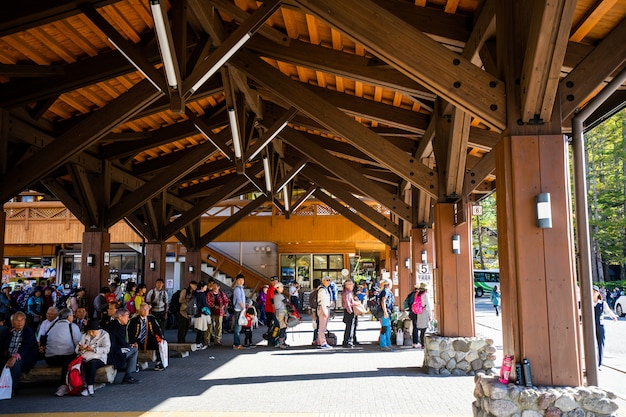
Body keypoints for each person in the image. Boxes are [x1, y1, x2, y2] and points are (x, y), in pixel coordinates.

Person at [0, 311, 38, 396]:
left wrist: (15, 357)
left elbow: (27, 347)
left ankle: (13, 389)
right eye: (17, 320)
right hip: (9, 355)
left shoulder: (29, 332)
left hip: (24, 356)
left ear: (25, 321)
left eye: (22, 320)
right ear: (12, 322)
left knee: (16, 364)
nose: (20, 322)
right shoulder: (8, 331)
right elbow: (3, 345)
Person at [45, 308, 82, 390]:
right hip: (65, 358)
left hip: (50, 359)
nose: (73, 317)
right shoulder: (72, 326)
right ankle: (68, 383)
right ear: (68, 317)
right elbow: (78, 343)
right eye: (72, 315)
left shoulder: (52, 326)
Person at [75, 319, 111, 396]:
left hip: (99, 358)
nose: (91, 333)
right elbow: (77, 348)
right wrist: (80, 348)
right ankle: (69, 385)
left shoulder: (104, 335)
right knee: (71, 363)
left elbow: (107, 349)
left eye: (93, 331)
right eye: (89, 331)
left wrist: (94, 349)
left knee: (91, 364)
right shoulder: (85, 335)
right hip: (85, 356)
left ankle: (90, 386)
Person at [105, 308, 140, 384]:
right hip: (114, 353)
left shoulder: (111, 324)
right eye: (127, 316)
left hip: (109, 351)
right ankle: (128, 375)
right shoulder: (119, 327)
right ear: (120, 316)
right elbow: (122, 343)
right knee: (134, 350)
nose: (128, 318)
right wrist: (130, 345)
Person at [128, 303, 165, 371]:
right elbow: (131, 332)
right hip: (138, 340)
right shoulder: (134, 320)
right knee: (133, 346)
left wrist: (160, 338)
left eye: (147, 309)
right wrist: (133, 341)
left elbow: (157, 329)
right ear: (139, 310)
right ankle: (135, 364)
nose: (145, 311)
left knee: (158, 344)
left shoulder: (152, 319)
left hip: (149, 339)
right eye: (143, 309)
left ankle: (159, 362)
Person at [593, 285, 618, 369]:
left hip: (600, 325)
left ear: (598, 293)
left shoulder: (602, 303)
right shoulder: (587, 303)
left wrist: (613, 316)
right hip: (590, 326)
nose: (593, 293)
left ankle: (599, 363)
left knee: (600, 344)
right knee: (590, 345)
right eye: (592, 292)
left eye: (595, 292)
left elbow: (608, 311)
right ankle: (592, 363)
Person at [207, 280, 229, 346]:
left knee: (219, 326)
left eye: (216, 286)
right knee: (209, 326)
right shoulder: (209, 293)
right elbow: (208, 302)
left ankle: (217, 340)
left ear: (218, 287)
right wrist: (214, 306)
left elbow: (226, 301)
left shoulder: (221, 294)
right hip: (210, 311)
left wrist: (223, 306)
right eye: (213, 286)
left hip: (220, 311)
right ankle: (207, 341)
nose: (214, 288)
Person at [193, 282, 211, 350]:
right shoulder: (202, 294)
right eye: (205, 287)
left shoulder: (195, 293)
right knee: (201, 329)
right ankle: (198, 343)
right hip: (202, 313)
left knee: (199, 328)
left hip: (196, 313)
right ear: (202, 287)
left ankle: (198, 343)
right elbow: (204, 304)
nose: (206, 288)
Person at [413, 283, 431, 349]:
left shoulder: (418, 294)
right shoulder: (425, 295)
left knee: (421, 330)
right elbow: (428, 306)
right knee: (425, 329)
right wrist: (430, 315)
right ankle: (424, 344)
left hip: (419, 312)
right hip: (424, 312)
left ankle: (422, 343)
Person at [317, 276, 333, 349]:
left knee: (323, 327)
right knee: (322, 328)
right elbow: (322, 301)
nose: (328, 281)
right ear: (323, 281)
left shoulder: (325, 289)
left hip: (325, 307)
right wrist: (325, 311)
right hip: (323, 308)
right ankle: (323, 343)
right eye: (327, 280)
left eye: (329, 280)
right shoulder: (322, 290)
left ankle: (320, 341)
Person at [342, 279, 359, 347]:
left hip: (351, 310)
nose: (352, 285)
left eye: (352, 284)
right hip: (349, 311)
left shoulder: (349, 292)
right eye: (351, 284)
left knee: (352, 326)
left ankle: (350, 340)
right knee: (349, 327)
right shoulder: (346, 293)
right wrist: (351, 311)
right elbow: (347, 303)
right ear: (347, 285)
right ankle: (347, 341)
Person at [378, 278, 395, 351]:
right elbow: (383, 301)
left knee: (388, 328)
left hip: (387, 312)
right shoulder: (386, 291)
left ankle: (388, 344)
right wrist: (385, 311)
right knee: (384, 328)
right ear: (389, 284)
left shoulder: (386, 291)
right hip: (385, 312)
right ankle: (383, 344)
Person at [232, 274, 246, 350]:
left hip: (240, 309)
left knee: (239, 326)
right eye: (239, 280)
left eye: (242, 280)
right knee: (237, 327)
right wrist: (244, 308)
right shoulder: (237, 289)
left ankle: (237, 343)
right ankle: (236, 344)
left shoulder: (241, 289)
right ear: (236, 281)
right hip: (238, 309)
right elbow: (239, 300)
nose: (241, 281)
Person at [273, 282, 289, 349]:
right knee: (283, 327)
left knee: (282, 326)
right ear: (277, 288)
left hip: (279, 312)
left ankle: (282, 342)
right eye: (281, 287)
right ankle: (281, 342)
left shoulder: (276, 296)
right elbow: (286, 303)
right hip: (281, 312)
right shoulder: (279, 296)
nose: (282, 288)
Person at [264, 276, 279, 347]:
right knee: (274, 326)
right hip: (271, 310)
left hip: (271, 310)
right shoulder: (271, 289)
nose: (275, 282)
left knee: (272, 326)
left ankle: (272, 341)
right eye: (274, 281)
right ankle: (272, 341)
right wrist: (275, 310)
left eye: (276, 281)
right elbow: (272, 301)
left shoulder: (274, 289)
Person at [309, 279, 322, 345]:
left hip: (315, 310)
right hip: (319, 310)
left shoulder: (312, 293)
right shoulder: (318, 293)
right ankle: (318, 340)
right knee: (320, 326)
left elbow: (311, 304)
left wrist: (313, 311)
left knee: (316, 326)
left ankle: (315, 339)